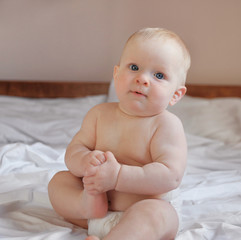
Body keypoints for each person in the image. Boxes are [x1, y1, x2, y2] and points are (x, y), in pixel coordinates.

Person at [48, 27, 191, 240]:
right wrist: (85, 160)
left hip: (138, 213)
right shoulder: (98, 114)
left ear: (176, 95)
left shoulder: (166, 125)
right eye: (134, 67)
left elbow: (171, 176)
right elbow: (74, 150)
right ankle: (86, 205)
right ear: (116, 74)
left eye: (158, 75)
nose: (143, 79)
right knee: (58, 182)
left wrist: (117, 177)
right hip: (91, 211)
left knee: (159, 215)